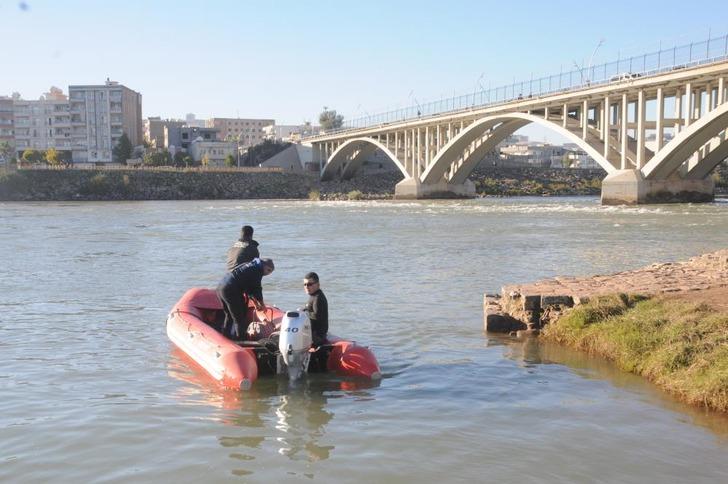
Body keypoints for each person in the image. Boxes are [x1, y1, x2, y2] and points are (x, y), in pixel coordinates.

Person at [217, 258, 274, 340]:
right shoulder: (257, 271)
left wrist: (255, 303)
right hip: (231, 290)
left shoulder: (249, 265)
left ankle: (225, 337)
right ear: (264, 265)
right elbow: (257, 289)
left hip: (221, 288)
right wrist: (262, 305)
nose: (267, 274)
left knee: (229, 315)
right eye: (268, 270)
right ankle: (241, 341)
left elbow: (249, 288)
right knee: (239, 318)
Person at [302, 272, 328, 346]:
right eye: (305, 284)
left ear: (317, 284)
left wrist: (304, 313)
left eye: (310, 284)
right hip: (312, 333)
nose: (307, 287)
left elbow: (317, 316)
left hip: (317, 337)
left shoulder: (318, 298)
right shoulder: (313, 296)